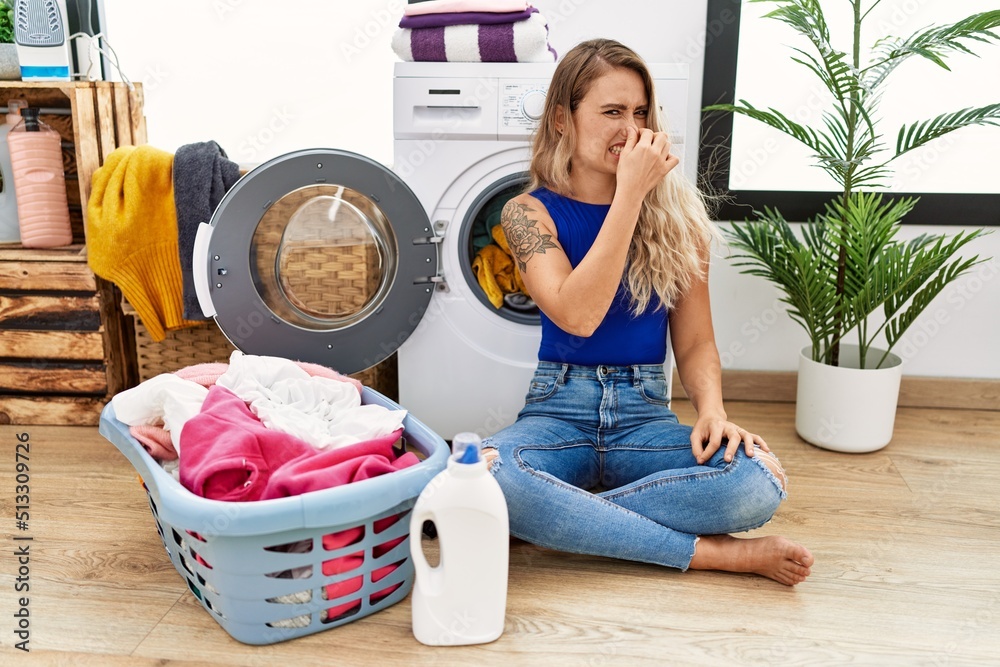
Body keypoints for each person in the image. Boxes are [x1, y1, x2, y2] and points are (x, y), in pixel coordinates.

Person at [482, 39, 813, 586]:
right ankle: (716, 554)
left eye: (639, 113)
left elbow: (695, 342)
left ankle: (561, 515)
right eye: (611, 112)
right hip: (557, 413)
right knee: (495, 475)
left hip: (644, 416)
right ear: (563, 119)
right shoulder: (525, 213)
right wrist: (629, 195)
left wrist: (712, 410)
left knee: (757, 481)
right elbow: (578, 315)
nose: (630, 128)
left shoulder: (679, 218)